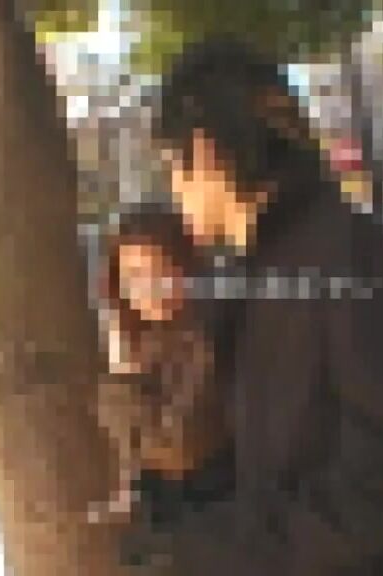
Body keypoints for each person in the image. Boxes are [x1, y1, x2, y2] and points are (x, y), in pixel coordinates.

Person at [147, 37, 383, 574]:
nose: (174, 191)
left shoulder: (354, 259)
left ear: (205, 150)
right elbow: (273, 462)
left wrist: (203, 547)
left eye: (173, 166)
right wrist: (175, 511)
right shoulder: (249, 273)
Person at [89, 211, 228, 529]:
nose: (149, 288)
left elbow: (179, 446)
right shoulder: (143, 339)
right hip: (166, 515)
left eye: (161, 270)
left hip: (215, 512)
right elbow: (129, 446)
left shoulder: (207, 334)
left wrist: (123, 378)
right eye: (134, 276)